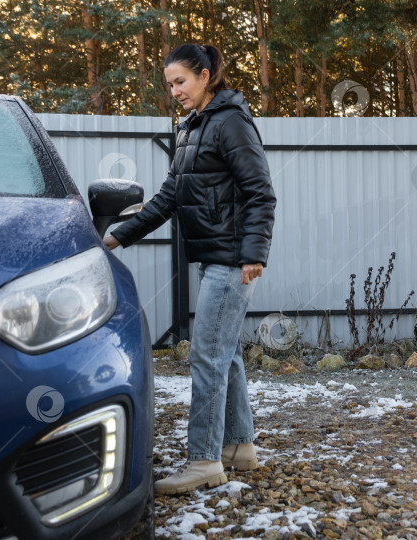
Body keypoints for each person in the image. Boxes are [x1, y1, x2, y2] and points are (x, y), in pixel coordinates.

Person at [104, 43, 276, 495]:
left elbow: (260, 192)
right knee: (226, 355)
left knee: (206, 357)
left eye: (180, 81)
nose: (175, 91)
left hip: (234, 261)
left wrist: (254, 253)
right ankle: (239, 447)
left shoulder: (230, 122)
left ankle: (202, 460)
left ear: (204, 76)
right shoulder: (193, 127)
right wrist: (116, 235)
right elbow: (169, 198)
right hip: (215, 258)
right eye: (169, 85)